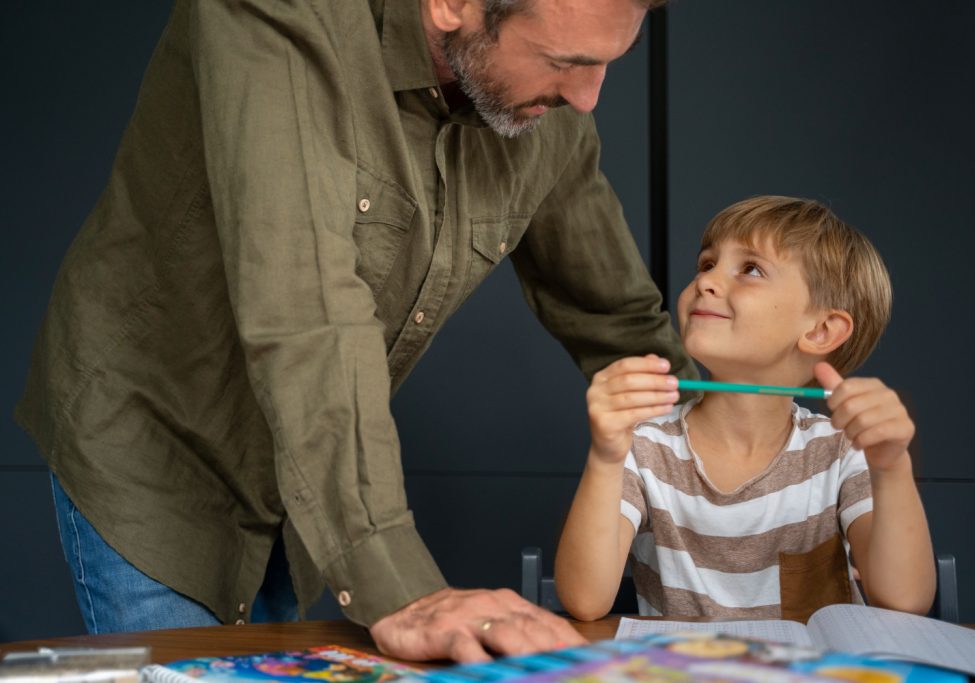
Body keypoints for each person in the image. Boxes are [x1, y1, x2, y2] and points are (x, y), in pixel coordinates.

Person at [16, 0, 695, 662]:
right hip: (155, 437)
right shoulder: (278, 13)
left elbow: (618, 318)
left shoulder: (547, 107)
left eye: (609, 63)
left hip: (306, 477)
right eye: (564, 61)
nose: (586, 98)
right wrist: (403, 590)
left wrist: (768, 426)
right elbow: (306, 312)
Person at [555, 195, 936, 622]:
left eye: (750, 269)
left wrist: (891, 468)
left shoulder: (842, 451)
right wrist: (606, 457)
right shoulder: (642, 445)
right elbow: (585, 601)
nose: (706, 281)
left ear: (822, 330)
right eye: (706, 264)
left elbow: (905, 601)